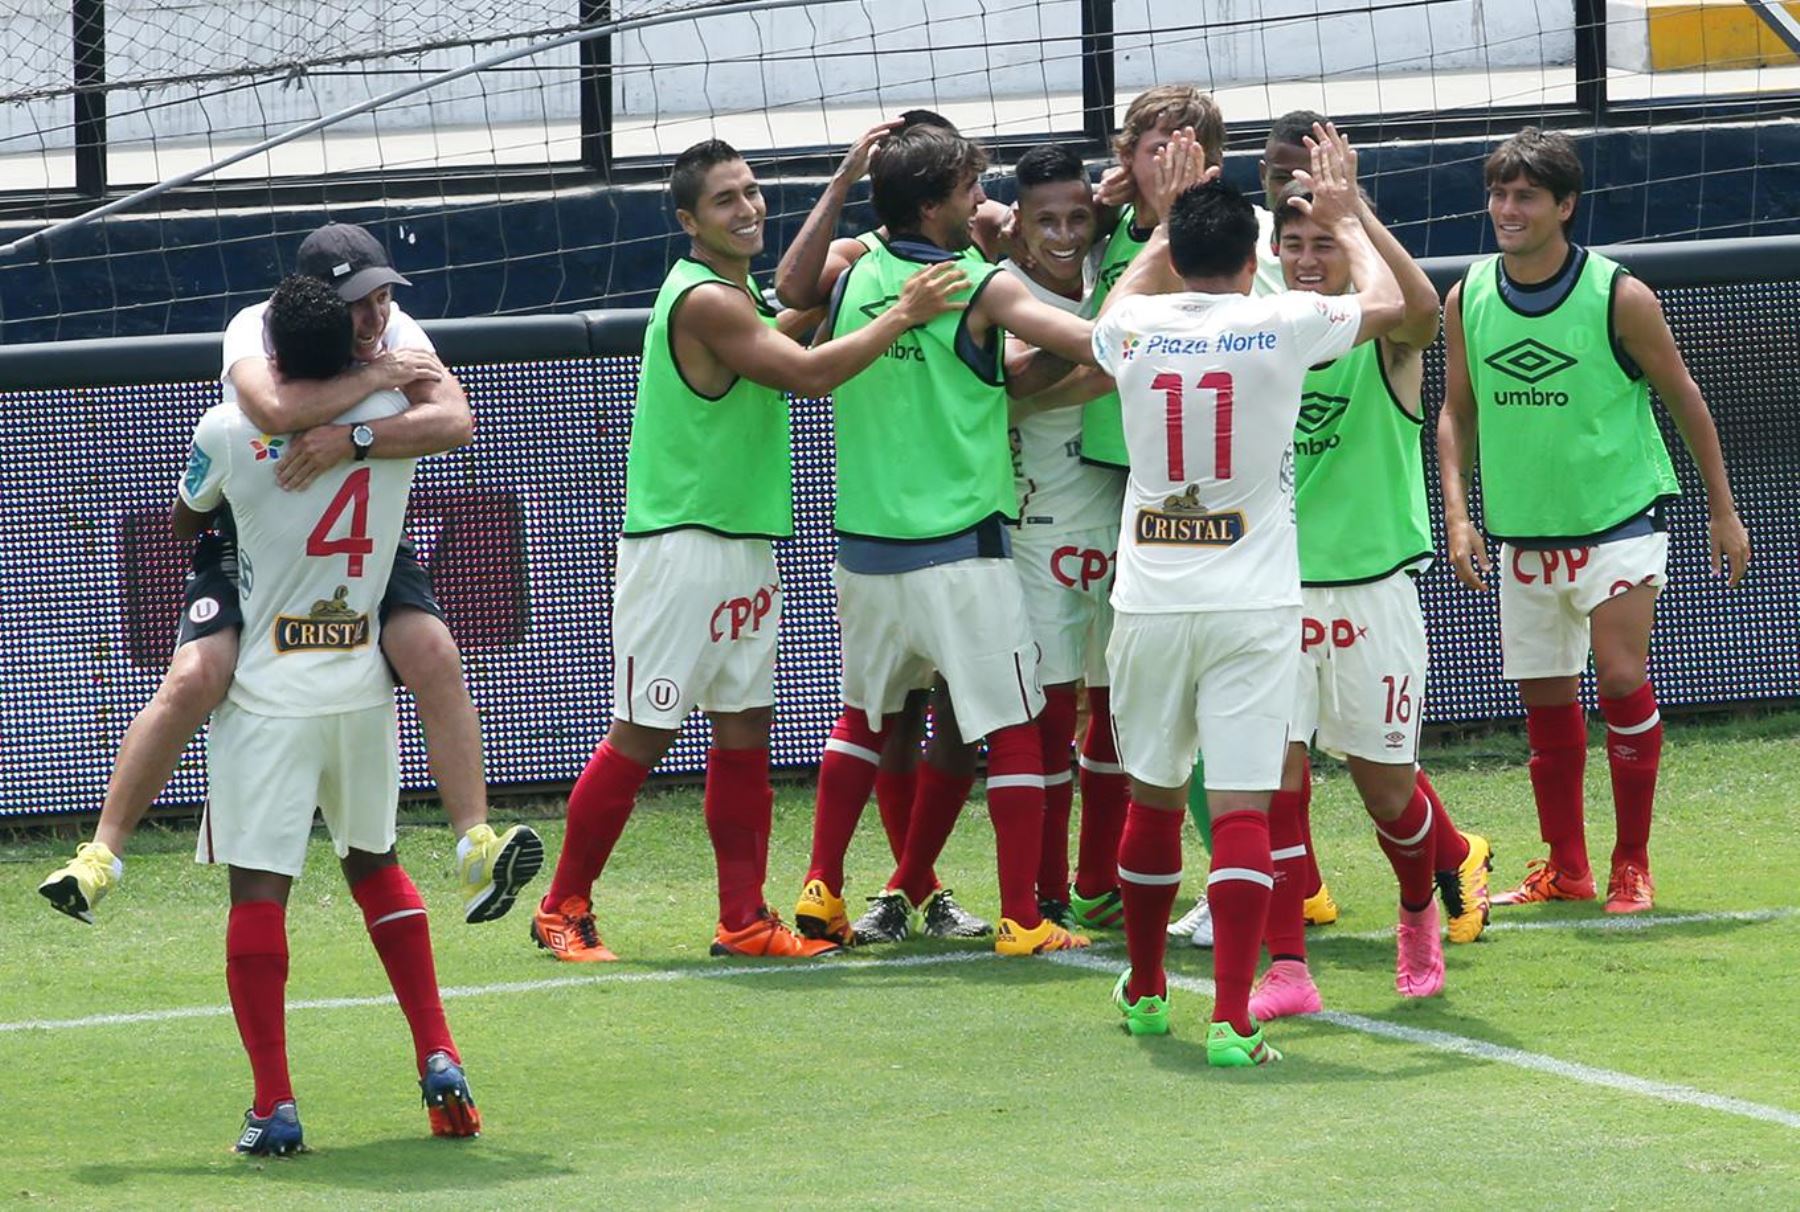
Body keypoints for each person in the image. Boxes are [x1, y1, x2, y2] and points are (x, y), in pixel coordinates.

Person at [531, 139, 967, 962]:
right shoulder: (705, 301)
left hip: (742, 546)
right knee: (643, 730)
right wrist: (901, 311)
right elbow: (805, 373)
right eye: (727, 199)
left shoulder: (736, 298)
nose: (749, 208)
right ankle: (562, 905)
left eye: (754, 191)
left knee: (744, 732)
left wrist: (839, 185)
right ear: (690, 220)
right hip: (683, 547)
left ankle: (743, 920)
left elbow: (791, 316)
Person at [39, 223, 541, 928]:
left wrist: (354, 439)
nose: (377, 316)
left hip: (357, 539)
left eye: (384, 297)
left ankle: (475, 847)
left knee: (434, 653)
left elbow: (456, 419)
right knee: (194, 677)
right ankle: (99, 858)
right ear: (315, 304)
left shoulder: (399, 330)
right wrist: (372, 384)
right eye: (360, 303)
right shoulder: (254, 328)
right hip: (249, 532)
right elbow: (273, 411)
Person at [1092, 125, 1404, 1065]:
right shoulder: (1284, 324)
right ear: (1260, 256)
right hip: (1256, 605)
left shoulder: (1130, 329)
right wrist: (1346, 219)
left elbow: (1116, 301)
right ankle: (1231, 1019)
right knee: (1239, 807)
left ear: (1177, 253)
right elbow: (1389, 300)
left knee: (1151, 800)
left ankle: (1147, 989)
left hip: (1149, 599)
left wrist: (1157, 228)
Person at [181, 273, 480, 1155]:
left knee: (259, 890)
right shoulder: (391, 419)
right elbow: (448, 416)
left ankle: (274, 1104)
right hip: (357, 683)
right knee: (376, 865)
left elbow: (185, 518)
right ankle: (440, 1056)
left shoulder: (233, 430)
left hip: (271, 696)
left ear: (271, 349)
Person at [791, 123, 1100, 956]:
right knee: (1009, 728)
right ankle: (1023, 920)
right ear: (933, 204)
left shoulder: (854, 279)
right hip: (961, 553)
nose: (984, 201)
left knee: (863, 720)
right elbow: (1073, 338)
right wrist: (1168, 333)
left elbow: (985, 376)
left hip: (863, 551)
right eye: (971, 188)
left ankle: (822, 887)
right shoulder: (972, 283)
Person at [1438, 127, 1751, 913]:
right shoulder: (1466, 296)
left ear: (1564, 206)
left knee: (1617, 678)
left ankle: (1632, 864)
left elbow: (1685, 398)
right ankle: (1566, 868)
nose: (1507, 210)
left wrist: (1724, 508)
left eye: (1525, 197)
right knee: (1546, 706)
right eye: (1499, 194)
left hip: (1619, 521)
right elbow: (1456, 412)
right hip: (1522, 532)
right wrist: (1458, 513)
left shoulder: (1619, 294)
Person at [1243, 170, 1495, 1022]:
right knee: (1276, 782)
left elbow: (1423, 310)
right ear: (1272, 252)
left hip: (1371, 598)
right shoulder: (1262, 335)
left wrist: (1355, 220)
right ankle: (1287, 967)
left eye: (1323, 243)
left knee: (1387, 790)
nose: (1308, 258)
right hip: (1273, 597)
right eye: (1294, 243)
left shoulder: (1385, 335)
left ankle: (1421, 906)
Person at [993, 143, 1131, 933]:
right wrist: (1108, 360)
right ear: (1017, 226)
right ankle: (1042, 888)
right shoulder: (1001, 291)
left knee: (1113, 715)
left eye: (1079, 216)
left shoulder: (1112, 267)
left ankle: (1097, 882)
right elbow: (1013, 387)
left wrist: (1113, 210)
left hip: (1115, 518)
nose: (1065, 232)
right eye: (1046, 219)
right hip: (1037, 530)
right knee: (1045, 721)